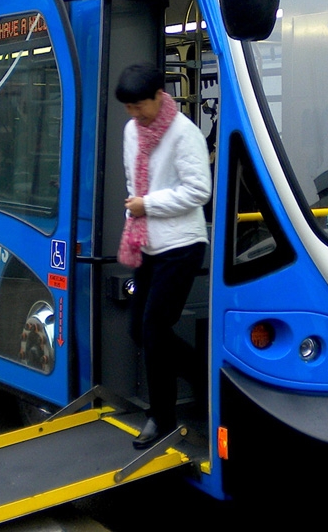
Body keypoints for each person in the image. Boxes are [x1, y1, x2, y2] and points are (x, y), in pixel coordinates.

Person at [115, 63, 212, 449]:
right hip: (151, 242)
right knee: (138, 328)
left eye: (139, 105)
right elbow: (132, 181)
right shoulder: (131, 131)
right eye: (129, 108)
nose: (134, 114)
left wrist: (147, 205)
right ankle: (205, 380)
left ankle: (163, 418)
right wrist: (137, 210)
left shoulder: (184, 134)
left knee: (155, 327)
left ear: (160, 96)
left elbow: (198, 190)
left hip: (183, 245)